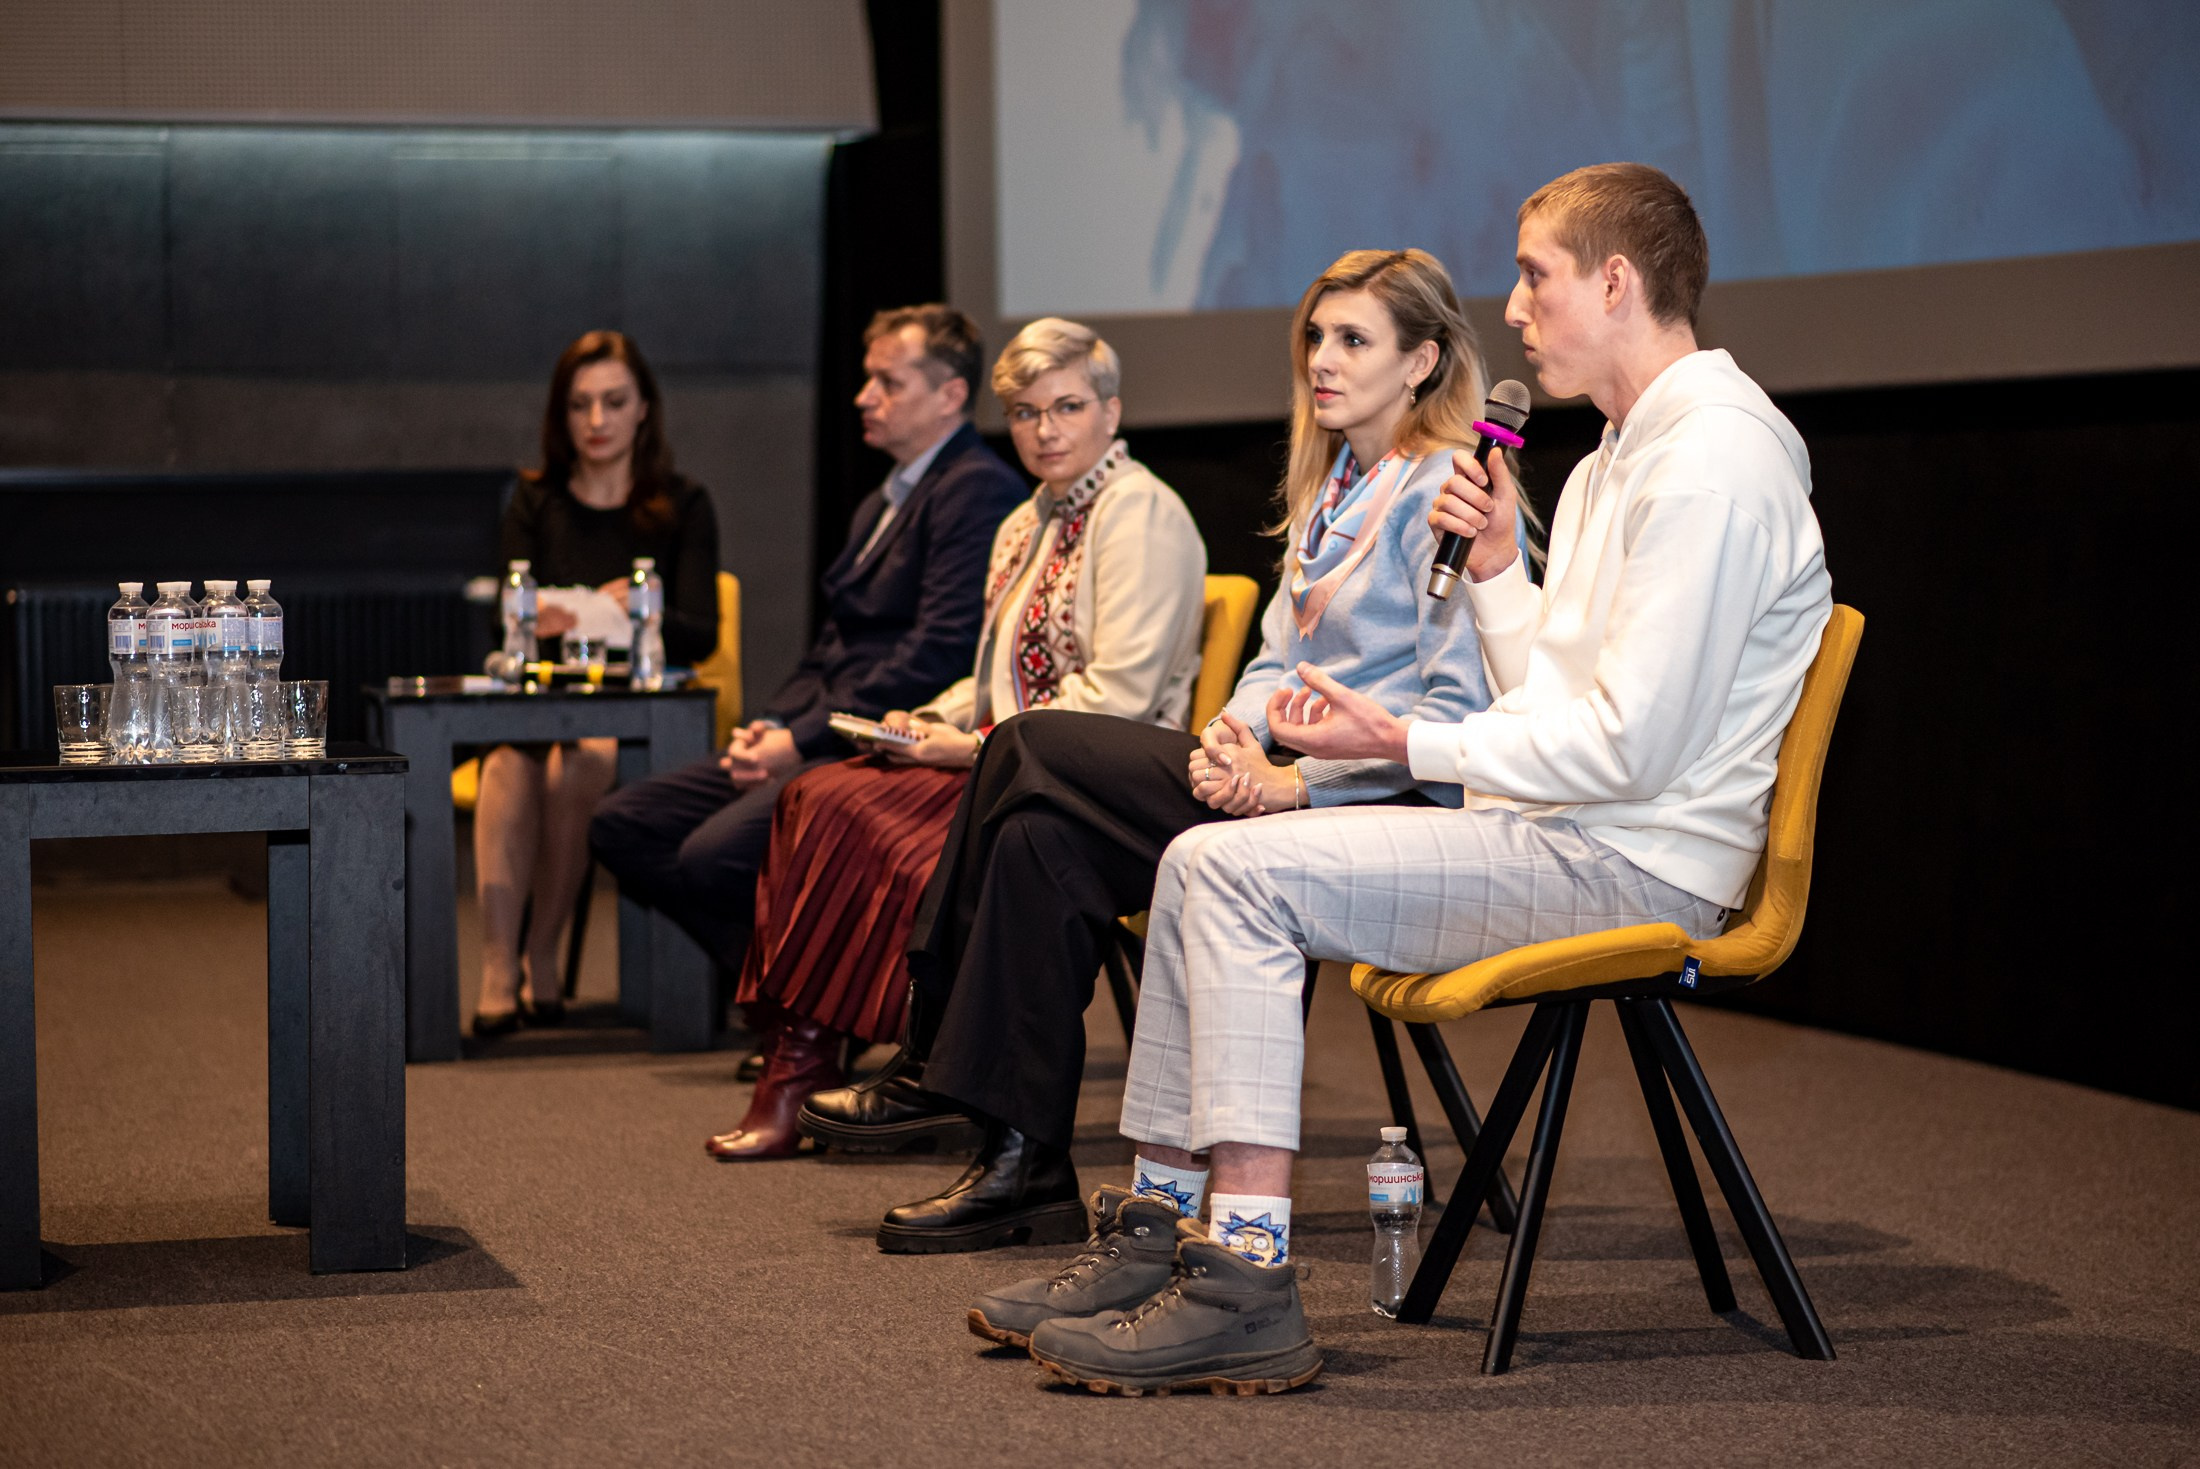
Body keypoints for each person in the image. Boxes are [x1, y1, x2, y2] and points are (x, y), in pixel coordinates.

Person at [983, 163, 1834, 1397]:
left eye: (1538, 273)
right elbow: (1555, 684)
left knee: (1234, 880)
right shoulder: (1614, 459)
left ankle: (1246, 1278)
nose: (1517, 302)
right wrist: (1494, 569)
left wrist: (1401, 742)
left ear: (1615, 280)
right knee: (1195, 857)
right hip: (1558, 827)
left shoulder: (1712, 464)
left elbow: (1627, 750)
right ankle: (1158, 1233)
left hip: (1627, 859)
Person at [803, 249, 1512, 1253]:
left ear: (1422, 361)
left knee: (1026, 747)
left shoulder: (1447, 490)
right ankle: (1022, 1161)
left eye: (1353, 339)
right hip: (1275, 784)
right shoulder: (1341, 481)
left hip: (1374, 815)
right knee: (1037, 841)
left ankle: (926, 1048)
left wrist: (1292, 780)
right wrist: (1232, 738)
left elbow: (1453, 713)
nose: (1321, 358)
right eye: (1315, 335)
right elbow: (1277, 661)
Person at [702, 318, 1207, 1159]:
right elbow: (990, 677)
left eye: (1067, 407)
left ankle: (861, 1066)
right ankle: (809, 1054)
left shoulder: (1142, 513)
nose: (1044, 430)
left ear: (1111, 413)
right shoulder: (1024, 522)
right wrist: (931, 718)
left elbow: (1114, 702)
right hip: (1004, 762)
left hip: (1098, 788)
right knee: (813, 792)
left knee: (858, 818)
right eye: (1024, 412)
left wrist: (966, 747)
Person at [588, 305, 1026, 1035]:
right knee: (623, 822)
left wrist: (804, 739)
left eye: (887, 381)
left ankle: (808, 1011)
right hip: (819, 728)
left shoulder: (974, 489)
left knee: (710, 857)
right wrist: (770, 724)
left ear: (950, 395)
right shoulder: (883, 499)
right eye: (866, 379)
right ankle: (794, 1001)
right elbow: (829, 645)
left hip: (882, 738)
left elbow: (938, 654)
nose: (863, 396)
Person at [472, 330, 720, 1039]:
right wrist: (536, 617)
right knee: (507, 766)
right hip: (540, 703)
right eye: (580, 405)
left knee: (579, 762)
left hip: (633, 716)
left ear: (645, 408)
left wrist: (632, 611)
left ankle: (541, 952)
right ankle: (497, 966)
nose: (597, 421)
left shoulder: (684, 503)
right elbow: (505, 628)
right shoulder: (533, 498)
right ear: (562, 414)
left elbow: (701, 632)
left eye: (614, 402)